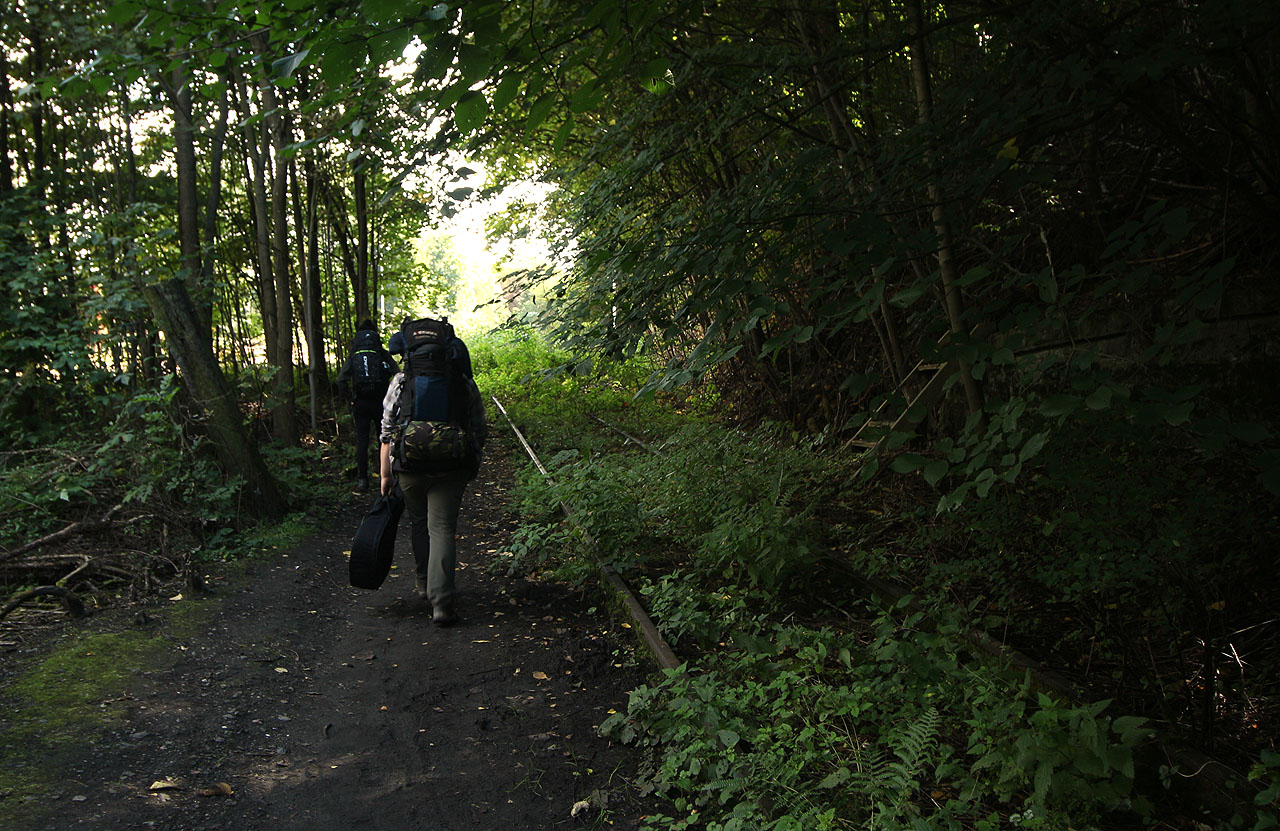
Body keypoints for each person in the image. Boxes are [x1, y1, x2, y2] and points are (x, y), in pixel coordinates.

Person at [379, 317, 487, 626]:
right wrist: (470, 460)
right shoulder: (462, 381)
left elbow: (387, 431)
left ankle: (424, 584)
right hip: (451, 466)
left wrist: (385, 475)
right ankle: (442, 603)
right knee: (441, 528)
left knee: (418, 523)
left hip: (409, 467)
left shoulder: (401, 381)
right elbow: (478, 427)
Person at [336, 320, 398, 492]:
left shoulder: (354, 354)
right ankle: (385, 477)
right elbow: (397, 373)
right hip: (381, 402)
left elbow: (341, 380)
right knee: (384, 439)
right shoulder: (380, 353)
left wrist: (351, 397)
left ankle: (363, 480)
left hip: (360, 403)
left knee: (362, 440)